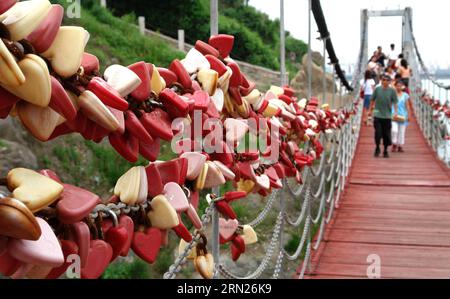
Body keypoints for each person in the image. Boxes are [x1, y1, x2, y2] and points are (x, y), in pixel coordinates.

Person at [369, 74, 399, 158]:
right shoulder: (377, 89)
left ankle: (385, 150)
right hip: (377, 114)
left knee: (386, 134)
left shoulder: (392, 91)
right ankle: (377, 147)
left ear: (389, 82)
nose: (385, 82)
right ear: (381, 81)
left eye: (387, 80)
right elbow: (372, 100)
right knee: (378, 133)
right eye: (383, 80)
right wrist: (370, 110)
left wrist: (395, 112)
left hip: (387, 116)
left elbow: (395, 102)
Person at [391, 80, 412, 153]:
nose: (398, 87)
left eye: (400, 86)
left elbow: (407, 106)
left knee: (401, 131)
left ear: (402, 86)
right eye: (397, 86)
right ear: (395, 86)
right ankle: (394, 143)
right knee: (394, 130)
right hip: (394, 115)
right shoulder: (392, 94)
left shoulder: (405, 95)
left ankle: (400, 145)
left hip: (403, 115)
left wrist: (409, 115)